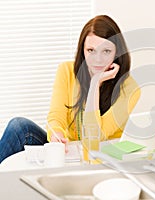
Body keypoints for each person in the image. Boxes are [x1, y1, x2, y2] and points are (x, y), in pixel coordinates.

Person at [0, 15, 141, 163]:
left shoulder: (130, 88)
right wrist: (57, 134)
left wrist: (94, 85)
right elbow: (56, 116)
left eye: (106, 51)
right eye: (91, 50)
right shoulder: (66, 70)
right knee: (19, 127)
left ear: (117, 52)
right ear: (83, 50)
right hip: (69, 152)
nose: (97, 59)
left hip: (99, 158)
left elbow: (94, 137)